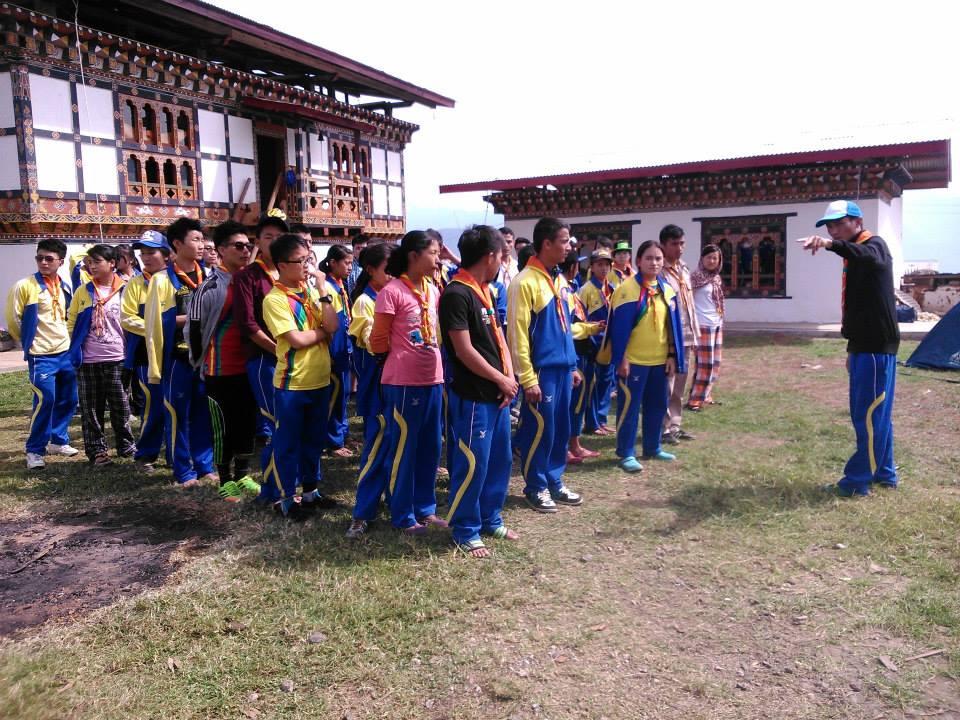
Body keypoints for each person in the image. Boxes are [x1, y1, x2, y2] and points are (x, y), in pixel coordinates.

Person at [798, 200, 900, 496]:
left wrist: (830, 245)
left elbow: (870, 257)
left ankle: (857, 481)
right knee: (876, 413)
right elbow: (859, 306)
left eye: (839, 224)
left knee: (868, 415)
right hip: (864, 346)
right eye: (829, 226)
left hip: (875, 346)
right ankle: (885, 473)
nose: (833, 230)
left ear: (858, 222)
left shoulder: (874, 246)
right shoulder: (855, 254)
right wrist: (852, 348)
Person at [508, 217, 601, 513]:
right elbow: (518, 335)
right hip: (541, 371)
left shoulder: (560, 280)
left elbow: (564, 328)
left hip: (563, 369)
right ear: (546, 243)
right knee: (540, 430)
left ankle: (554, 480)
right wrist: (527, 378)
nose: (569, 246)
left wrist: (572, 364)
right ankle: (536, 486)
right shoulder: (524, 282)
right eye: (563, 241)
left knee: (561, 428)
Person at [440, 226, 519, 557]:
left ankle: (490, 518)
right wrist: (500, 379)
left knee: (500, 460)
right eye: (501, 255)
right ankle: (465, 528)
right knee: (473, 463)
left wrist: (509, 376)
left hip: (497, 393)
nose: (502, 260)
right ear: (490, 256)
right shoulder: (456, 294)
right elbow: (463, 350)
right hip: (474, 395)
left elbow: (498, 338)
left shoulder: (486, 290)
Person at [369, 230, 448, 534]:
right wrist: (397, 360)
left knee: (430, 446)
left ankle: (425, 508)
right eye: (433, 253)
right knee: (404, 448)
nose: (438, 259)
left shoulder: (432, 289)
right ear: (414, 255)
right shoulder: (392, 292)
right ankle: (402, 513)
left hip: (433, 378)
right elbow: (378, 339)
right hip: (403, 382)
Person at [260, 233, 339, 518]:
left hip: (320, 379)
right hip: (292, 383)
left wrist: (323, 290)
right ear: (282, 265)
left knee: (314, 441)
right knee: (288, 443)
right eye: (300, 261)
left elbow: (333, 325)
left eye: (308, 259)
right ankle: (285, 498)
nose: (307, 266)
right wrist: (322, 333)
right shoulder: (275, 299)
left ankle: (310, 491)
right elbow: (296, 340)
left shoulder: (314, 291)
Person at [187, 221, 260, 501]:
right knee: (222, 426)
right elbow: (194, 328)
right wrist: (200, 361)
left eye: (248, 246)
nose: (245, 251)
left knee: (247, 422)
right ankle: (225, 479)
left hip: (249, 366)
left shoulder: (252, 281)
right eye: (238, 246)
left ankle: (243, 474)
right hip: (219, 368)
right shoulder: (209, 287)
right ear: (220, 250)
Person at [144, 217, 214, 487]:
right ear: (177, 244)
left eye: (202, 240)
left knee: (204, 411)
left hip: (206, 357)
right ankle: (183, 470)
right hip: (177, 357)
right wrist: (194, 318)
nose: (201, 245)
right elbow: (156, 322)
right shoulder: (162, 280)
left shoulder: (209, 275)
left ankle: (205, 465)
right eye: (195, 240)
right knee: (177, 412)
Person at [608, 240, 685, 472]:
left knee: (657, 405)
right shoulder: (626, 290)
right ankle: (626, 453)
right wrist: (621, 358)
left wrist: (671, 355)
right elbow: (618, 330)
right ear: (638, 261)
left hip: (660, 361)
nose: (654, 263)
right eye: (649, 258)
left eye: (658, 258)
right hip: (633, 362)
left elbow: (671, 327)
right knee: (630, 408)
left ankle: (653, 446)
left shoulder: (667, 290)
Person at [6, 239, 79, 469]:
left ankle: (58, 440)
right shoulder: (25, 286)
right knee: (45, 400)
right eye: (40, 258)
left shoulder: (64, 285)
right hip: (41, 355)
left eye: (49, 258)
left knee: (69, 399)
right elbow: (13, 319)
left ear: (61, 261)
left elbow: (68, 316)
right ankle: (35, 450)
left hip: (65, 352)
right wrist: (29, 342)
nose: (44, 262)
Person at [67, 244, 136, 465]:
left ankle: (126, 446)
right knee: (91, 409)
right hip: (88, 360)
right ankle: (97, 451)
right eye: (89, 262)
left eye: (97, 261)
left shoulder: (126, 289)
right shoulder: (83, 291)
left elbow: (133, 322)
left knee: (120, 406)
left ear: (112, 263)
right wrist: (75, 348)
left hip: (117, 359)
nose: (92, 266)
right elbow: (72, 321)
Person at [346, 242, 394, 538]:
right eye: (388, 269)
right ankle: (362, 512)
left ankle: (395, 500)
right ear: (371, 270)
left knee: (396, 444)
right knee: (375, 446)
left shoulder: (397, 294)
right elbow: (372, 340)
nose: (393, 275)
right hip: (377, 383)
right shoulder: (365, 301)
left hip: (396, 380)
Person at [233, 214, 289, 471]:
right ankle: (275, 476)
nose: (275, 242)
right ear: (258, 242)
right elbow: (247, 324)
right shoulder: (247, 276)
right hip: (265, 356)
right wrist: (278, 350)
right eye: (268, 237)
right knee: (275, 416)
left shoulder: (290, 272)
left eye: (280, 237)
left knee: (290, 415)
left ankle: (289, 471)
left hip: (293, 355)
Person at [120, 231, 170, 472]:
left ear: (166, 254)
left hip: (174, 353)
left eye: (152, 252)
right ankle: (146, 454)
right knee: (153, 404)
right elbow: (127, 317)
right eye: (143, 253)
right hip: (145, 355)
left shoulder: (175, 281)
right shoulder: (135, 284)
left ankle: (176, 455)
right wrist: (155, 328)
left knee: (176, 405)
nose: (146, 257)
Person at [659, 224, 698, 445]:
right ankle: (663, 427)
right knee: (667, 384)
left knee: (680, 383)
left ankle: (675, 424)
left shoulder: (684, 268)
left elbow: (689, 303)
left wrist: (694, 333)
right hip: (669, 337)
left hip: (687, 334)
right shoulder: (659, 271)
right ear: (663, 245)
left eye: (682, 243)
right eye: (675, 244)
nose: (680, 248)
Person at [561, 250, 600, 464]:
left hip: (582, 351)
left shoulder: (571, 288)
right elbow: (566, 327)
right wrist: (589, 329)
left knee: (579, 402)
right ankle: (566, 446)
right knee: (572, 403)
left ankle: (574, 444)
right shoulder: (563, 291)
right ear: (573, 267)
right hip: (573, 351)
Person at [319, 244, 355, 458]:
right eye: (346, 263)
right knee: (335, 396)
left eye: (351, 263)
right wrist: (333, 352)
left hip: (344, 349)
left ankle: (341, 434)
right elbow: (331, 324)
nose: (350, 267)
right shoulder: (327, 287)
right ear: (332, 263)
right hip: (335, 351)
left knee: (343, 394)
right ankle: (333, 441)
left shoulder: (340, 284)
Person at [579, 247, 616, 436]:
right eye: (599, 264)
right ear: (592, 267)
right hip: (592, 345)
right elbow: (579, 319)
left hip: (608, 343)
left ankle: (601, 420)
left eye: (606, 265)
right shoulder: (586, 290)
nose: (603, 268)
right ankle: (592, 423)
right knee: (592, 384)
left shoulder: (612, 288)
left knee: (606, 382)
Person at [687, 244, 725, 411]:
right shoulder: (695, 278)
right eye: (709, 257)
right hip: (702, 325)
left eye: (715, 258)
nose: (712, 261)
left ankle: (706, 395)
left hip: (716, 324)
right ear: (702, 259)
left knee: (715, 363)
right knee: (705, 364)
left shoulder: (716, 278)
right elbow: (688, 301)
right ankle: (695, 400)